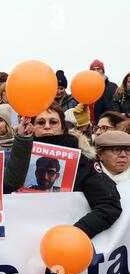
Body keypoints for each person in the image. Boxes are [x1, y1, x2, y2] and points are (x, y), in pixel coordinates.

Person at [32, 103, 122, 238]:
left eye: (53, 122)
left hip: (69, 243)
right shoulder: (19, 158)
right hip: (27, 241)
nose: (47, 126)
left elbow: (109, 205)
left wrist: (76, 233)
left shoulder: (83, 160)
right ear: (32, 128)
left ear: (63, 127)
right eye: (40, 122)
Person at [89, 59, 119, 124]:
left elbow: (117, 105)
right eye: (93, 69)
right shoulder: (87, 87)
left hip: (110, 122)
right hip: (93, 124)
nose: (96, 71)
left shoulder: (113, 86)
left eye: (98, 69)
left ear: (103, 71)